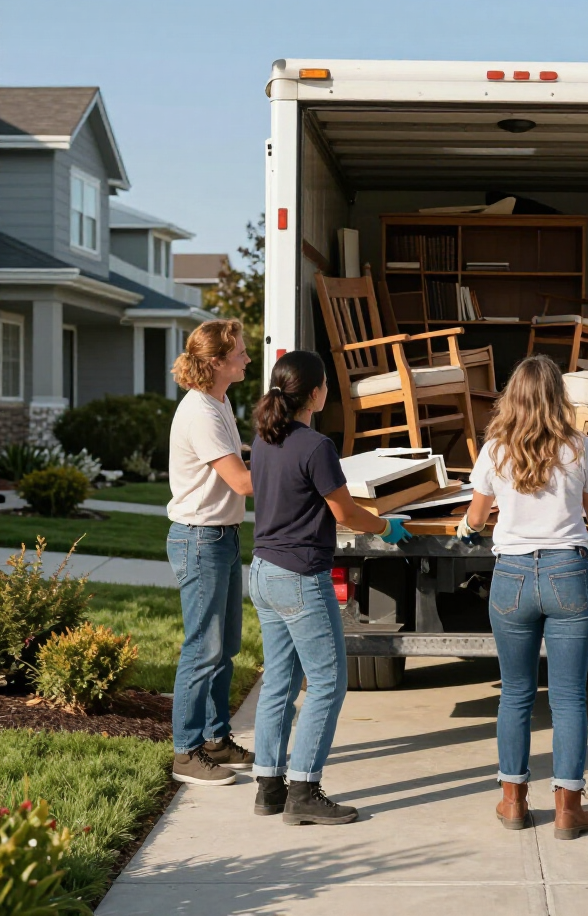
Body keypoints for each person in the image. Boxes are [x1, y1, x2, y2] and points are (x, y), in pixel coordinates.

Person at [248, 350, 412, 826]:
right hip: (300, 576)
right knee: (327, 682)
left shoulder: (264, 438)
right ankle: (304, 791)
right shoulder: (316, 447)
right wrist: (384, 527)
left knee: (279, 680)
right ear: (316, 394)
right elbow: (344, 513)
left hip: (262, 571)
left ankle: (269, 787)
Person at [458, 354, 588, 840]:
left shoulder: (495, 450)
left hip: (512, 577)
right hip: (568, 572)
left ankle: (513, 802)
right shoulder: (579, 447)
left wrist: (466, 526)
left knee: (516, 694)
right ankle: (568, 809)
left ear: (512, 398)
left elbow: (477, 518)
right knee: (569, 698)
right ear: (557, 397)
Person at [167, 319, 256, 786]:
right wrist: (292, 469)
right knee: (203, 649)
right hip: (200, 539)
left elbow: (236, 455)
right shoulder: (200, 411)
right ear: (217, 362)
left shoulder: (219, 401)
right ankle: (186, 751)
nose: (245, 358)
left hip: (221, 536)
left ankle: (216, 739)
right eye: (239, 353)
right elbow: (242, 481)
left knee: (225, 649)